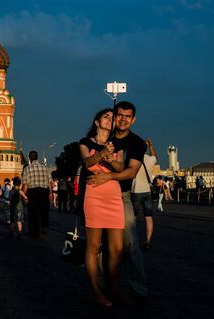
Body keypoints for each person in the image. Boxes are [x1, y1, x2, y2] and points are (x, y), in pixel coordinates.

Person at [87, 101, 148, 301]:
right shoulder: (104, 134)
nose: (122, 119)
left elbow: (131, 171)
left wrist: (108, 177)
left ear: (133, 120)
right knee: (99, 245)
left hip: (121, 198)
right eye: (119, 115)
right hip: (95, 195)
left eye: (127, 117)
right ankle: (105, 287)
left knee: (129, 243)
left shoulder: (137, 143)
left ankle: (138, 290)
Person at [80, 108, 125, 307]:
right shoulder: (86, 142)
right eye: (106, 117)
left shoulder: (117, 145)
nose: (110, 120)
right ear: (97, 122)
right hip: (94, 195)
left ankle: (114, 288)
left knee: (116, 248)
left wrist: (110, 158)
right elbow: (88, 163)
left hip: (114, 196)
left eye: (112, 118)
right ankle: (96, 292)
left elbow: (120, 168)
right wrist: (101, 154)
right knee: (94, 246)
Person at [131, 139, 158, 250]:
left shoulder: (133, 160)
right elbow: (154, 155)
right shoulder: (150, 160)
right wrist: (151, 145)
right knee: (148, 218)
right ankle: (148, 240)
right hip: (147, 191)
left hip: (135, 190)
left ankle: (133, 240)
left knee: (133, 218)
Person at [21, 150, 52, 239]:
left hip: (32, 192)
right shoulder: (44, 167)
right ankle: (44, 226)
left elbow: (26, 184)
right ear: (37, 158)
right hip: (44, 191)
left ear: (30, 159)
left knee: (33, 213)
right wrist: (50, 193)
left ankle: (34, 233)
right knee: (44, 211)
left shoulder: (27, 168)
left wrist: (24, 195)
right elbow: (49, 181)